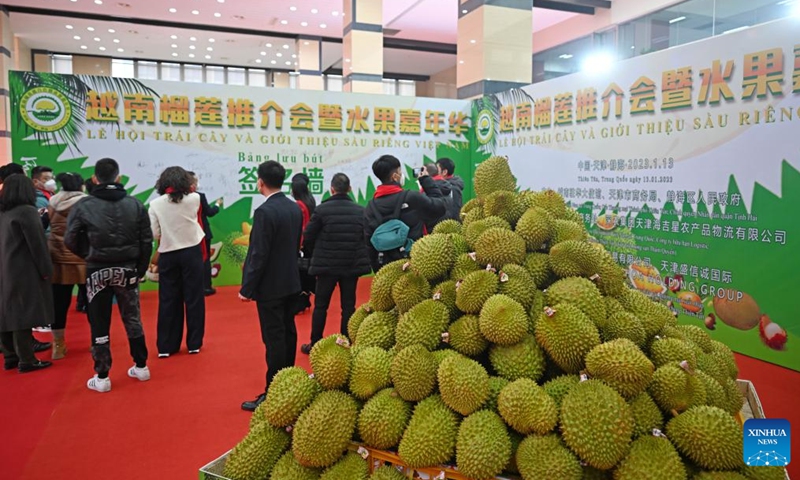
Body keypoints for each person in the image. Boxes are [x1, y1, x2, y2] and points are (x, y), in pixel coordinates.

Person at [65, 158, 153, 393]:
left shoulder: (84, 206)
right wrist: (139, 270)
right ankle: (141, 365)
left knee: (99, 321)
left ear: (95, 179)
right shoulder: (135, 204)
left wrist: (90, 255)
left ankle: (102, 376)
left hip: (97, 270)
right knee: (132, 317)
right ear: (118, 178)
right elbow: (147, 241)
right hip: (128, 269)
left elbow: (70, 239)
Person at [238, 160, 303, 412]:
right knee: (288, 333)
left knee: (274, 338)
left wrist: (247, 287)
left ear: (260, 182)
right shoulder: (293, 208)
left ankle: (273, 392)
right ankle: (288, 384)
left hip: (271, 287)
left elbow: (259, 254)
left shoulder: (265, 212)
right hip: (290, 281)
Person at [300, 173, 371, 354]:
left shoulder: (322, 210)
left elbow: (308, 235)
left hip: (326, 266)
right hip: (351, 265)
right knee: (348, 306)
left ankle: (315, 343)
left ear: (332, 189)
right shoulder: (360, 210)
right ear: (349, 189)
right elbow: (365, 237)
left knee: (321, 305)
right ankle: (345, 342)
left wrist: (318, 250)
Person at [148, 166, 207, 358]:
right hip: (191, 251)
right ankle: (194, 344)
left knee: (168, 300)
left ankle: (166, 346)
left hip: (168, 253)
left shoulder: (155, 204)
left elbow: (154, 233)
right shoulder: (195, 199)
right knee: (194, 298)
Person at [0, 174, 54, 373]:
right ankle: (27, 359)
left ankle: (10, 356)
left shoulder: (3, 212)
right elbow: (37, 245)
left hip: (5, 268)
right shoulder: (27, 212)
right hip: (24, 269)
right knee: (23, 313)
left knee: (6, 311)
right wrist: (47, 270)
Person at [364, 155, 447, 272]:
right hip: (415, 262)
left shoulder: (370, 207)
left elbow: (368, 242)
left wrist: (378, 269)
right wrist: (426, 180)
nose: (401, 174)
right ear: (395, 176)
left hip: (386, 266)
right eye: (400, 171)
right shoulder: (412, 197)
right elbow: (439, 207)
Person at [47, 172, 88, 359]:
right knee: (93, 303)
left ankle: (58, 345)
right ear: (81, 186)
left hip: (58, 258)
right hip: (83, 258)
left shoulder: (53, 202)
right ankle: (98, 341)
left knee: (59, 304)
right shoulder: (87, 203)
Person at [188, 172, 221, 296]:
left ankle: (193, 288)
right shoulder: (199, 196)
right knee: (205, 259)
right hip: (202, 232)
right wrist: (218, 205)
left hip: (189, 234)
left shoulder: (179, 197)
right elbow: (210, 212)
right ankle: (206, 287)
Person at [291, 173, 316, 313]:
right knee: (306, 273)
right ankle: (305, 301)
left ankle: (300, 304)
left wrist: (298, 245)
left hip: (301, 244)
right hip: (309, 244)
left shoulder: (299, 205)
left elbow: (301, 227)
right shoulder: (310, 201)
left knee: (300, 274)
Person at [436, 157, 465, 221]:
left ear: (444, 172)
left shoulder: (453, 189)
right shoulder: (441, 185)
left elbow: (456, 212)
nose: (434, 172)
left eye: (437, 169)